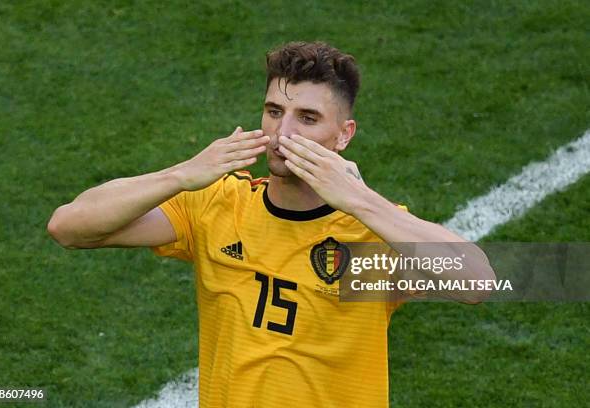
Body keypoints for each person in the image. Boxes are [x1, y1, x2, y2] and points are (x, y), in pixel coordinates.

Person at [48, 41, 495, 407]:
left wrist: (360, 200)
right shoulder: (219, 206)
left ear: (344, 134)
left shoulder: (371, 236)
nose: (283, 135)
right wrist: (180, 175)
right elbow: (69, 227)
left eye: (308, 118)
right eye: (274, 111)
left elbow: (477, 283)